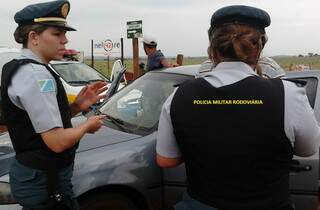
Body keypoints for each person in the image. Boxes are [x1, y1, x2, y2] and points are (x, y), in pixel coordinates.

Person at [156, 5, 320, 210]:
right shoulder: (289, 94)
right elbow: (308, 149)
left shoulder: (178, 96)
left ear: (213, 50)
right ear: (258, 50)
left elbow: (166, 160)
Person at [1, 1, 107, 209]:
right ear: (34, 37)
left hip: (36, 176)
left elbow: (34, 120)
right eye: (57, 34)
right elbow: (56, 142)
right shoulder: (37, 75)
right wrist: (86, 125)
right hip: (45, 182)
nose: (65, 40)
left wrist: (77, 106)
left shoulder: (19, 67)